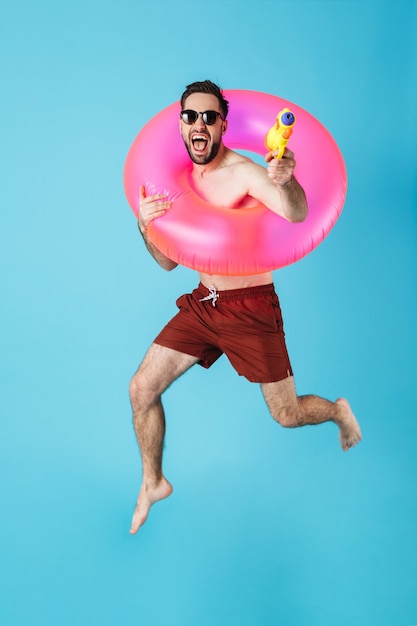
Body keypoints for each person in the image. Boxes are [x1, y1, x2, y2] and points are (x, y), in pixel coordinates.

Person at [129, 80, 361, 534]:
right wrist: (144, 227)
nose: (200, 124)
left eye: (209, 117)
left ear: (223, 125)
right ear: (181, 124)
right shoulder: (178, 183)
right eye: (191, 116)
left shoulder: (243, 171)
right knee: (140, 389)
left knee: (286, 414)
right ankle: (153, 481)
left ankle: (338, 411)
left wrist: (286, 178)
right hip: (204, 303)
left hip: (250, 307)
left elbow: (295, 214)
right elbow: (167, 264)